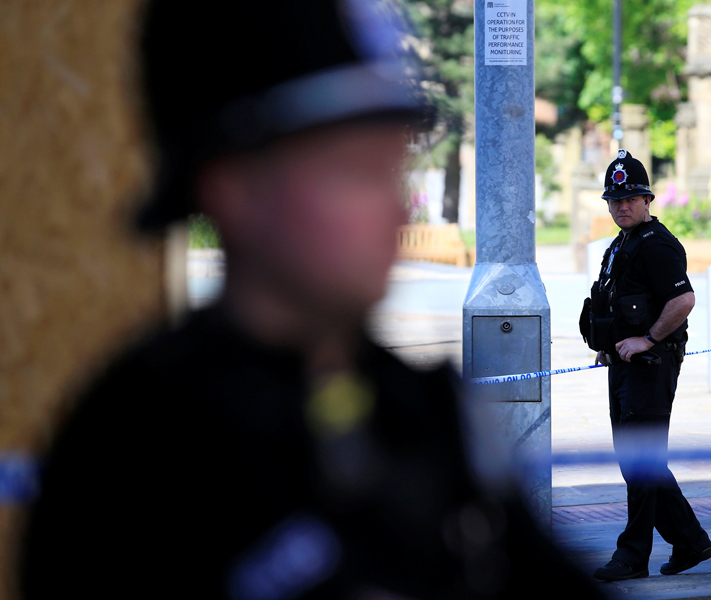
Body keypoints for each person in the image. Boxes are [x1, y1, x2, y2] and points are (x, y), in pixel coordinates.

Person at [20, 2, 606, 599]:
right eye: (355, 171)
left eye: (392, 168)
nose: (396, 209)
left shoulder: (424, 410)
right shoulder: (133, 450)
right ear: (235, 190)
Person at [580, 149, 711, 582]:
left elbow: (684, 299)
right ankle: (691, 542)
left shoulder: (657, 245)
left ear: (647, 200)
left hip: (652, 365)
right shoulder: (620, 245)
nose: (622, 206)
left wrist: (648, 339)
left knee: (641, 462)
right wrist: (612, 344)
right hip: (626, 366)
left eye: (630, 199)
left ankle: (632, 556)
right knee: (637, 461)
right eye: (615, 200)